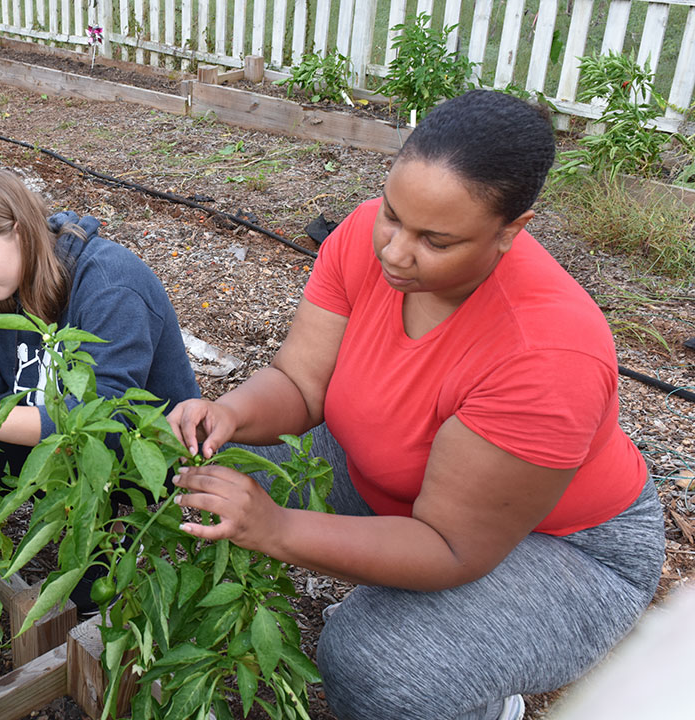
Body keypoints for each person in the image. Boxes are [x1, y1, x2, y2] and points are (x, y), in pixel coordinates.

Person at [167, 90, 663, 720]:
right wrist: (229, 413)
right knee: (218, 465)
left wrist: (279, 529)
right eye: (394, 215)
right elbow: (300, 383)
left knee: (382, 663)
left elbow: (451, 546)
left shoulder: (546, 352)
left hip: (560, 548)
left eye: (437, 240)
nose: (395, 251)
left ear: (512, 230)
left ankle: (477, 696)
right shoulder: (365, 235)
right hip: (399, 481)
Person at [0, 166, 200, 479]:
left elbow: (104, 418)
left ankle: (112, 524)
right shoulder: (10, 278)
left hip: (139, 457)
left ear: (20, 232)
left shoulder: (111, 286)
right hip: (59, 428)